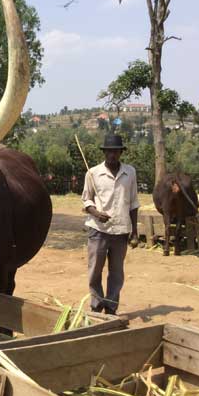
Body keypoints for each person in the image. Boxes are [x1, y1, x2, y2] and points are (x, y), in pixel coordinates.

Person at [81, 134, 140, 315]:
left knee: (116, 273)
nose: (112, 155)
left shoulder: (130, 172)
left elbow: (133, 203)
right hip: (98, 230)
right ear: (104, 152)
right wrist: (97, 213)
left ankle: (112, 308)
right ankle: (97, 306)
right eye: (108, 151)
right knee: (95, 271)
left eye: (115, 151)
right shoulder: (92, 173)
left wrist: (135, 231)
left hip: (121, 230)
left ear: (121, 152)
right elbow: (86, 200)